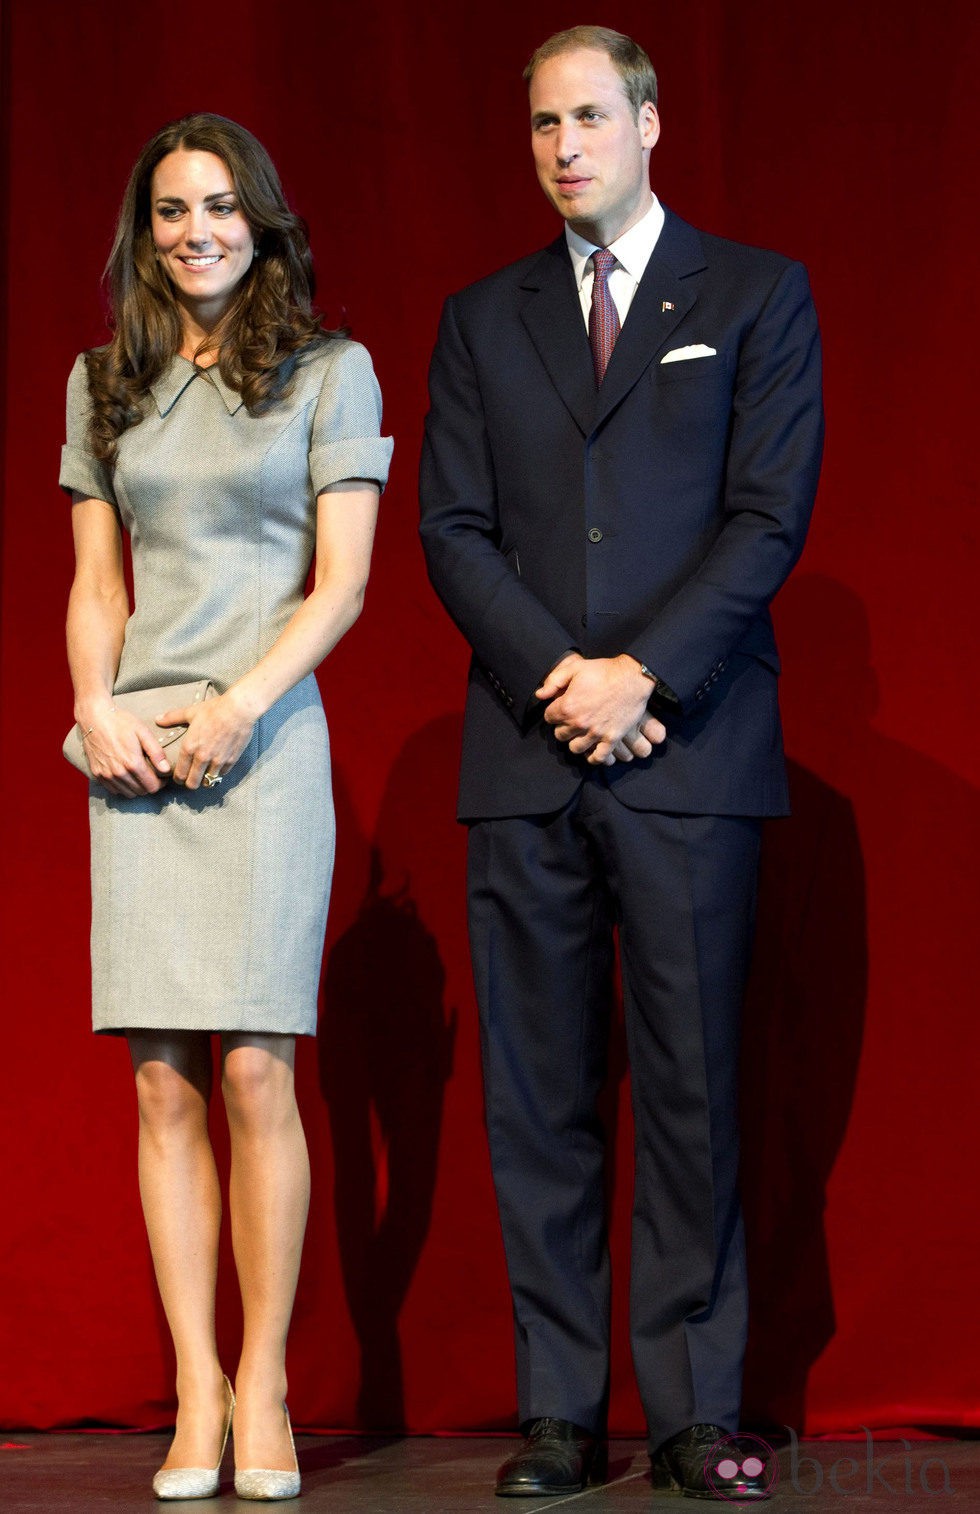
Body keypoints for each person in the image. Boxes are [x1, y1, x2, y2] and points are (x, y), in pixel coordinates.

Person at [419, 25, 822, 1503]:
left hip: (688, 750)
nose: (564, 144)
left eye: (590, 115)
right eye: (542, 122)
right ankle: (557, 1411)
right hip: (529, 760)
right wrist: (561, 681)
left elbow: (767, 517)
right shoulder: (481, 316)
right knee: (541, 1098)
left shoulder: (758, 294)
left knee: (694, 1091)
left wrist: (639, 675)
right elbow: (450, 528)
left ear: (649, 123)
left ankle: (693, 1410)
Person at [60, 114, 392, 1501]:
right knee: (159, 1078)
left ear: (262, 222)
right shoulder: (103, 381)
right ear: (145, 232)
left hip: (260, 743)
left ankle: (265, 1386)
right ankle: (193, 1385)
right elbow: (96, 580)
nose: (196, 230)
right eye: (171, 210)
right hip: (138, 752)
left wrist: (243, 702)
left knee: (259, 1065)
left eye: (219, 207)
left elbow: (344, 583)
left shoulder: (330, 370)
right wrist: (97, 707)